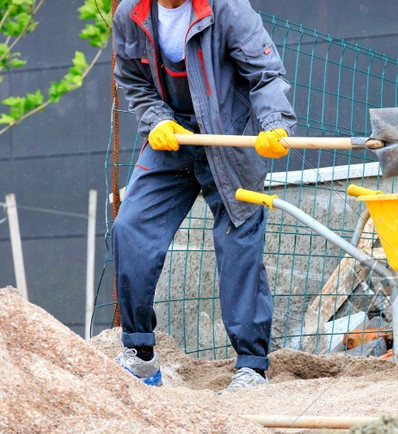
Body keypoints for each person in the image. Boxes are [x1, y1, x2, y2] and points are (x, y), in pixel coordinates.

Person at [111, 0, 297, 393]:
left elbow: (266, 75)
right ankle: (141, 355)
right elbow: (132, 81)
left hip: (228, 138)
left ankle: (251, 367)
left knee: (238, 245)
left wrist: (274, 124)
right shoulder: (132, 15)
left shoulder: (227, 9)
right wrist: (156, 119)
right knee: (129, 229)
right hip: (171, 139)